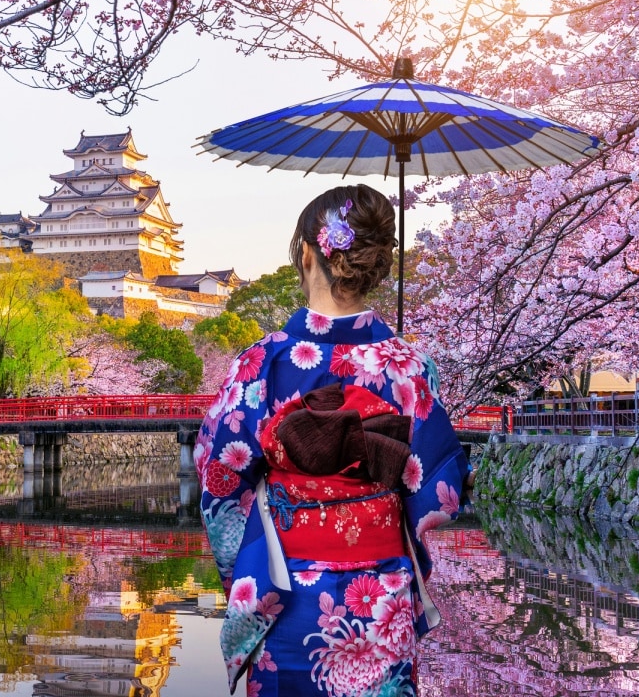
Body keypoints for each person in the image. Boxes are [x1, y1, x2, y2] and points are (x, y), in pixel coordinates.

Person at [196, 184, 468, 697]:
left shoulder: (263, 363)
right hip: (381, 598)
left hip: (289, 593)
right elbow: (440, 488)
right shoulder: (410, 366)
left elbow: (220, 477)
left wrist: (252, 550)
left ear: (305, 253)